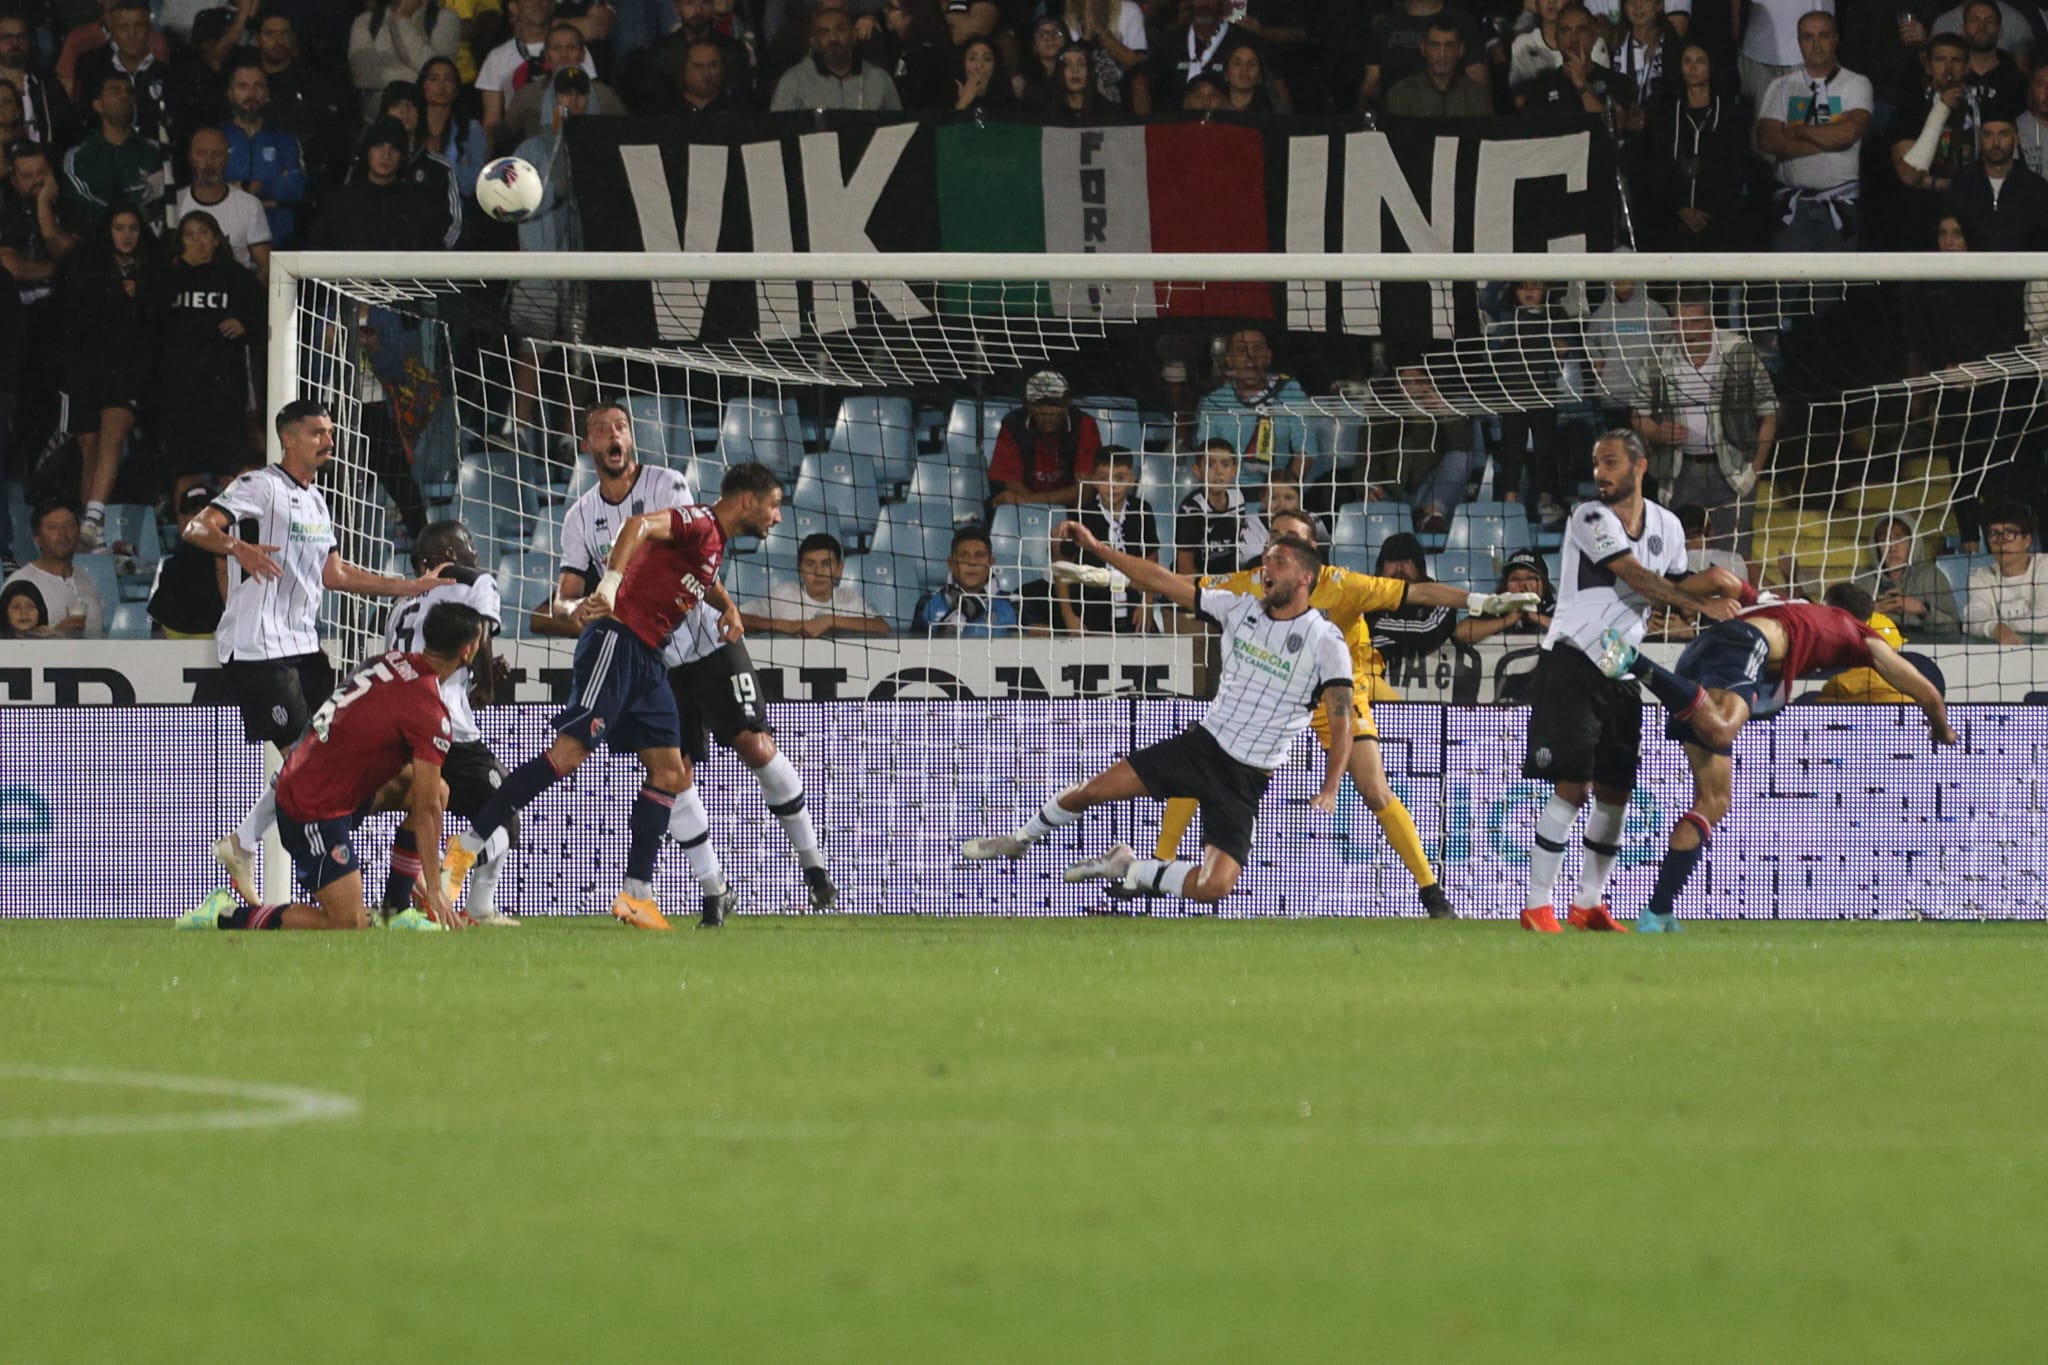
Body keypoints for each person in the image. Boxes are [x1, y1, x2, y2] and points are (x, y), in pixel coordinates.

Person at [441, 462, 786, 932]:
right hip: (617, 641)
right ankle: (465, 850)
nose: (777, 517)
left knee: (670, 771)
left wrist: (727, 608)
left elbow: (702, 581)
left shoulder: (712, 545)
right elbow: (637, 524)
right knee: (567, 756)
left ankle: (636, 895)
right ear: (748, 501)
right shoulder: (698, 521)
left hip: (648, 659)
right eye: (774, 505)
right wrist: (609, 584)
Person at [1145, 508, 1537, 916]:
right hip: (1277, 696)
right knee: (1206, 764)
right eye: (1273, 537)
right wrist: (1120, 579)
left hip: (1339, 694)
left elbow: (1418, 592)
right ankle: (1158, 863)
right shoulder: (1252, 583)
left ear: (1311, 550)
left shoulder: (1344, 585)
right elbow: (1189, 586)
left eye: (1289, 538)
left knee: (1373, 788)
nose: (1277, 546)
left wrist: (1480, 600)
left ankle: (1431, 891)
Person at [533, 405, 839, 910]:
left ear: (630, 440)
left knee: (755, 745)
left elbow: (694, 553)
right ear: (587, 444)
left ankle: (814, 865)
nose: (614, 436)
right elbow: (564, 594)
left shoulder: (667, 484)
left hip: (708, 644)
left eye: (622, 427)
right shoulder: (579, 516)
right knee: (672, 773)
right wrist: (575, 610)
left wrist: (726, 604)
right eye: (602, 429)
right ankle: (714, 888)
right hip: (652, 658)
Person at [962, 528, 1354, 906]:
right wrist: (1099, 548)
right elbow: (1160, 579)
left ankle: (1129, 866)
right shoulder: (1237, 607)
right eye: (1266, 561)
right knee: (1095, 790)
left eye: (1279, 563)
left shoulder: (1325, 641)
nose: (1267, 570)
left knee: (1214, 886)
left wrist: (1332, 784)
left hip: (1247, 777)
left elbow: (1341, 719)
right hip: (1204, 747)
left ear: (1306, 577)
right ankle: (1021, 838)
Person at [186, 401, 448, 910]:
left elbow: (337, 575)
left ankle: (243, 844)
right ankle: (311, 873)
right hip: (258, 647)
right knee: (309, 767)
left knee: (326, 763)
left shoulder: (317, 500)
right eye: (316, 432)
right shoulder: (261, 485)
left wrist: (410, 586)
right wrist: (235, 548)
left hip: (305, 648)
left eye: (330, 431)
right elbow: (198, 528)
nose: (328, 440)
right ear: (288, 439)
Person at [1595, 583, 1954, 931]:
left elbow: (1723, 580)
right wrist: (1942, 729)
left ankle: (1657, 912)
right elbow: (1927, 692)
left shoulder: (1789, 604)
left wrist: (1675, 594)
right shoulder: (1859, 634)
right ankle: (1634, 659)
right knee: (1722, 729)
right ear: (1863, 617)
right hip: (1746, 645)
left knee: (1714, 800)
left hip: (1701, 652)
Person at [1517, 429, 1740, 933]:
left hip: (1621, 666)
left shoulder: (1668, 525)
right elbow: (1637, 577)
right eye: (1597, 463)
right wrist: (1702, 604)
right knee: (1572, 786)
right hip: (1574, 659)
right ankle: (1537, 906)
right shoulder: (1588, 516)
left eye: (1611, 462)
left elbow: (1676, 583)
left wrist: (1732, 591)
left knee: (1616, 791)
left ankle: (1589, 904)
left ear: (1639, 467)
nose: (1601, 473)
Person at [177, 602, 486, 933]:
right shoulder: (429, 710)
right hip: (312, 806)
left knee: (438, 790)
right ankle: (223, 915)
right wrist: (436, 892)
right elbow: (424, 812)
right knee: (348, 923)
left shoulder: (391, 662)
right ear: (467, 650)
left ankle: (395, 910)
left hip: (329, 782)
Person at [377, 520, 516, 926]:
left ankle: (394, 906)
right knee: (502, 810)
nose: (474, 554)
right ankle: (468, 878)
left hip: (399, 725)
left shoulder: (399, 604)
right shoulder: (474, 582)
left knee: (422, 806)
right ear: (450, 557)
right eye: (467, 546)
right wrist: (485, 685)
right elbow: (480, 635)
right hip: (447, 727)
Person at [1627, 285, 1778, 547]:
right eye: (1680, 323)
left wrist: (1754, 470)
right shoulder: (1656, 359)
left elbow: (1769, 414)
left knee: (1735, 553)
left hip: (1733, 471)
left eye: (1695, 322)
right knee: (1679, 557)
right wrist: (1656, 431)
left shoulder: (1739, 353)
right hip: (1680, 471)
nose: (1686, 331)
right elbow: (1637, 416)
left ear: (1709, 321)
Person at [58, 204, 153, 544]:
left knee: (113, 434)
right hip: (87, 368)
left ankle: (94, 517)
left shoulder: (151, 271)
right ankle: (91, 531)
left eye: (132, 228)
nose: (126, 235)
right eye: (119, 227)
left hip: (127, 370)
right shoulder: (86, 267)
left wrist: (137, 297)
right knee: (90, 444)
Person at [155, 210, 260, 506]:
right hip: (179, 391)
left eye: (203, 233)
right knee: (185, 471)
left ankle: (236, 537)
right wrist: (181, 270)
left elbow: (263, 315)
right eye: (189, 235)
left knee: (229, 468)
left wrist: (245, 324)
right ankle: (190, 539)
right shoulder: (168, 276)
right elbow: (149, 313)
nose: (197, 240)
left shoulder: (237, 276)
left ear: (216, 239)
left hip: (224, 389)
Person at [1753, 11, 1872, 253]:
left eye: (1823, 36)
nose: (1816, 44)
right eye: (1808, 37)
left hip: (1841, 205)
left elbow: (1849, 132)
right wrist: (1831, 137)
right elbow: (1767, 139)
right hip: (1792, 209)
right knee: (1786, 288)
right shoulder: (1781, 86)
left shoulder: (1856, 83)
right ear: (1798, 42)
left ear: (1836, 39)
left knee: (1833, 289)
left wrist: (1796, 131)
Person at [1642, 43, 1752, 251]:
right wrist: (1679, 209)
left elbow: (1736, 170)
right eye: (1687, 61)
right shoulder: (1665, 115)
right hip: (1673, 224)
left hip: (1719, 224)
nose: (1693, 67)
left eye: (1700, 61)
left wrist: (1712, 211)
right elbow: (1656, 168)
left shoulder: (1732, 116)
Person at [1195, 328, 1319, 483]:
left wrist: (1283, 495)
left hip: (1278, 496)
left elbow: (1306, 450)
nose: (1250, 358)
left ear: (1268, 356)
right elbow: (1206, 457)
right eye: (1241, 351)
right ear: (1230, 359)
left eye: (1257, 349)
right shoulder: (1215, 401)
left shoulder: (1290, 391)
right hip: (1229, 496)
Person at [1060, 447, 1157, 635]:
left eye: (1120, 478)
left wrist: (1147, 602)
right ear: (1094, 480)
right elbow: (1063, 568)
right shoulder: (1081, 515)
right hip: (1092, 612)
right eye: (1104, 479)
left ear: (1132, 480)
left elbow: (1151, 560)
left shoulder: (1142, 511)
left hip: (1134, 609)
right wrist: (1069, 616)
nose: (1112, 486)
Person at [221, 59, 311, 251]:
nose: (251, 94)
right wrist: (271, 197)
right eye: (243, 87)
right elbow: (212, 188)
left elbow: (296, 188)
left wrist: (250, 186)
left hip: (278, 240)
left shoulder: (285, 139)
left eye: (258, 87)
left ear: (267, 94)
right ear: (230, 94)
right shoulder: (217, 138)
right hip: (228, 241)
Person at [477, 0, 598, 140]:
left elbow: (592, 99)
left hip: (574, 133)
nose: (538, 3)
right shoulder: (497, 58)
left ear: (553, 5)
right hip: (517, 137)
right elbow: (492, 121)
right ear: (514, 7)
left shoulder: (576, 50)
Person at [59, 73, 164, 227]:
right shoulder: (78, 156)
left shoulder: (155, 151)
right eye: (115, 91)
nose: (125, 96)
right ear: (98, 105)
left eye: (129, 92)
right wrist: (122, 218)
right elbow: (79, 197)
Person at [987, 369, 1100, 510]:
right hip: (1023, 511)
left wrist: (1026, 500)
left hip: (1071, 511)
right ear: (1029, 406)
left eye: (1054, 403)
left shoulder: (1084, 424)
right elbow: (1011, 484)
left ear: (1066, 404)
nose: (1048, 410)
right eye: (1040, 403)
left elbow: (1084, 492)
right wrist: (1037, 509)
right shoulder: (1013, 424)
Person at [741, 531, 888, 637]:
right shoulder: (785, 594)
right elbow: (740, 617)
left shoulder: (847, 597)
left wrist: (829, 621)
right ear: (800, 569)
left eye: (826, 564)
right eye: (810, 564)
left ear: (839, 569)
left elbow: (881, 626)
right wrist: (786, 625)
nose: (818, 572)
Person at [624, 0, 755, 113]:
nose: (698, 9)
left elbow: (742, 99)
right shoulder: (659, 54)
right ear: (677, 7)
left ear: (713, 6)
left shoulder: (733, 50)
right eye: (690, 3)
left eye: (705, 2)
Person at [504, 23, 626, 140]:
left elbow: (626, 132)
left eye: (571, 48)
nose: (564, 55)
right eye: (557, 49)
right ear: (546, 56)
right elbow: (506, 134)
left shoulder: (604, 95)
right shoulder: (528, 94)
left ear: (582, 54)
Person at [1951, 103, 2048, 250]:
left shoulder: (2036, 188)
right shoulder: (1962, 183)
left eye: (2003, 134)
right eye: (1988, 135)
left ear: (2016, 139)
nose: (1996, 143)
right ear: (1980, 138)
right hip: (1972, 269)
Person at [177, 127, 270, 279]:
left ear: (227, 158)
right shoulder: (175, 204)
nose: (208, 162)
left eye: (217, 155)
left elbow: (266, 266)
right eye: (201, 154)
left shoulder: (249, 205)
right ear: (190, 158)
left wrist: (247, 297)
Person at [2, 499, 104, 636]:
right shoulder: (21, 584)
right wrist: (58, 633)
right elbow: (11, 648)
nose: (62, 533)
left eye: (69, 526)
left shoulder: (86, 579)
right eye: (52, 527)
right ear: (37, 538)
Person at [1850, 514, 1961, 640]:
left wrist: (1922, 610)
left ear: (1913, 543)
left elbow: (1953, 628)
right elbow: (1847, 628)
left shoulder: (1930, 576)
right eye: (1885, 540)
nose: (1893, 548)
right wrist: (1871, 612)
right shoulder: (1863, 579)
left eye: (1900, 539)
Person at [349, 0, 462, 120]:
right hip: (378, 124)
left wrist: (402, 19)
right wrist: (418, 78)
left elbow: (439, 75)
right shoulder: (365, 21)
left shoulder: (445, 19)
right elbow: (362, 74)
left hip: (428, 124)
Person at [771, 7, 901, 110]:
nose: (833, 38)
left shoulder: (880, 79)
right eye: (824, 33)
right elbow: (779, 131)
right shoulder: (793, 81)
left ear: (854, 35)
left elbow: (898, 128)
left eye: (841, 30)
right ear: (814, 42)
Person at [1367, 532, 1460, 668]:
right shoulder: (1367, 596)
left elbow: (1428, 635)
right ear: (1381, 567)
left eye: (1407, 560)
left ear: (1420, 567)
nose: (1399, 568)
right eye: (1391, 561)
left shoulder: (1439, 597)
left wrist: (1378, 625)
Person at [1149, 0, 1259, 109]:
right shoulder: (1170, 41)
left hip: (1225, 121)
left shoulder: (1241, 40)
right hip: (1175, 122)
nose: (1204, 3)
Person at [916, 526, 1020, 637]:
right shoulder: (928, 604)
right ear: (951, 563)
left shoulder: (1016, 604)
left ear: (991, 562)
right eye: (964, 556)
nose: (971, 562)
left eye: (979, 555)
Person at [1966, 500, 2048, 641]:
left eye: (2009, 533)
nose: (2001, 541)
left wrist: (1998, 627)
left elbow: (2044, 621)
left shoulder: (2044, 567)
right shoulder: (1981, 577)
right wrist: (1995, 629)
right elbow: (1973, 618)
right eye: (1994, 533)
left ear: (2027, 540)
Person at [1384, 18, 1495, 117]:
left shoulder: (1476, 95)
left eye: (1449, 46)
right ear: (1423, 48)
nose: (1442, 54)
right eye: (1435, 45)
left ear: (1461, 50)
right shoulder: (1401, 94)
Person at [0, 8, 77, 149]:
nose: (15, 43)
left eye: (21, 36)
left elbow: (65, 131)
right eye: (7, 38)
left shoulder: (48, 85)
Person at [1175, 438, 1245, 577]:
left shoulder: (1238, 498)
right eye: (1210, 465)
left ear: (1234, 470)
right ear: (1197, 470)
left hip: (1225, 581)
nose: (1218, 472)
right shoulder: (1191, 509)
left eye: (1225, 465)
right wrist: (1209, 594)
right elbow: (1184, 566)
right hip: (1195, 583)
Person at [1455, 549, 1554, 644]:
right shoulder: (1496, 607)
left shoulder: (1555, 608)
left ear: (1544, 584)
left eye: (1531, 578)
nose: (1523, 584)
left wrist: (1537, 618)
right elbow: (1461, 633)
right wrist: (1507, 621)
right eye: (1515, 579)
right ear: (1506, 585)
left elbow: (1569, 631)